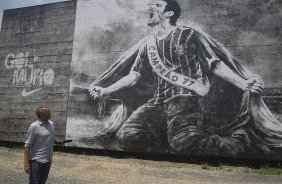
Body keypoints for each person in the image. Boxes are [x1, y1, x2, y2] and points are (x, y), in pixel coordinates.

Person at [89, 0, 282, 157]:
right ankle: (173, 138)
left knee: (184, 145)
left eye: (157, 5)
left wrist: (244, 83)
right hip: (157, 103)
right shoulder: (147, 45)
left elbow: (214, 63)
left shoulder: (188, 34)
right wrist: (105, 90)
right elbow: (134, 76)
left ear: (169, 13)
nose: (151, 7)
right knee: (127, 136)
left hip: (187, 100)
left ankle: (237, 142)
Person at [24, 106, 54, 184]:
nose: (50, 113)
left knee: (42, 181)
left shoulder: (51, 124)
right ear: (41, 115)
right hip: (37, 161)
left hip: (48, 159)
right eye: (48, 112)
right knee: (34, 182)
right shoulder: (34, 126)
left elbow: (49, 137)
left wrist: (58, 142)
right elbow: (27, 146)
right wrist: (26, 164)